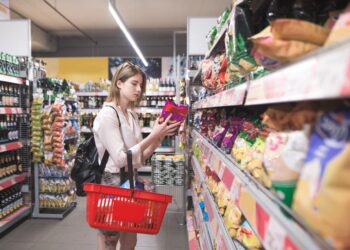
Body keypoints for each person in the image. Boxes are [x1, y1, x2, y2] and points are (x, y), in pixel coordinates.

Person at [93, 61, 180, 250]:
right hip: (112, 183)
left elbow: (138, 158)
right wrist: (153, 135)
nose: (139, 89)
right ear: (119, 83)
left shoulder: (131, 115)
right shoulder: (108, 115)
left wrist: (158, 138)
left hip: (130, 182)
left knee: (130, 241)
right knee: (109, 241)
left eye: (141, 85)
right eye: (134, 83)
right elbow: (121, 159)